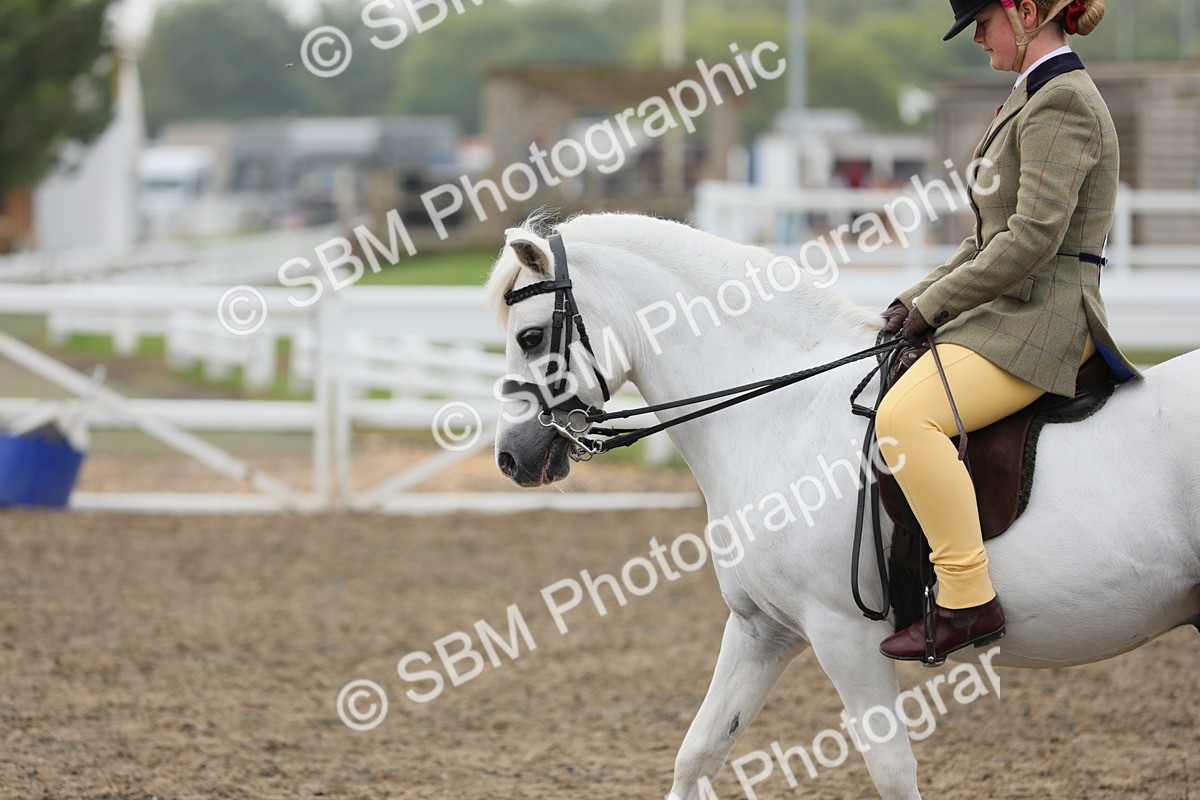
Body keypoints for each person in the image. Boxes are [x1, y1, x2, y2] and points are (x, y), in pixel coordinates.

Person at [874, 0, 1143, 662]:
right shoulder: (1030, 97)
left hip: (1047, 315)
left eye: (983, 24)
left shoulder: (1064, 101)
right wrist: (913, 297)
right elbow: (987, 240)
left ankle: (968, 599)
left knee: (904, 421)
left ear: (1026, 13)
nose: (977, 40)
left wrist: (937, 307)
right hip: (1012, 305)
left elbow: (1031, 239)